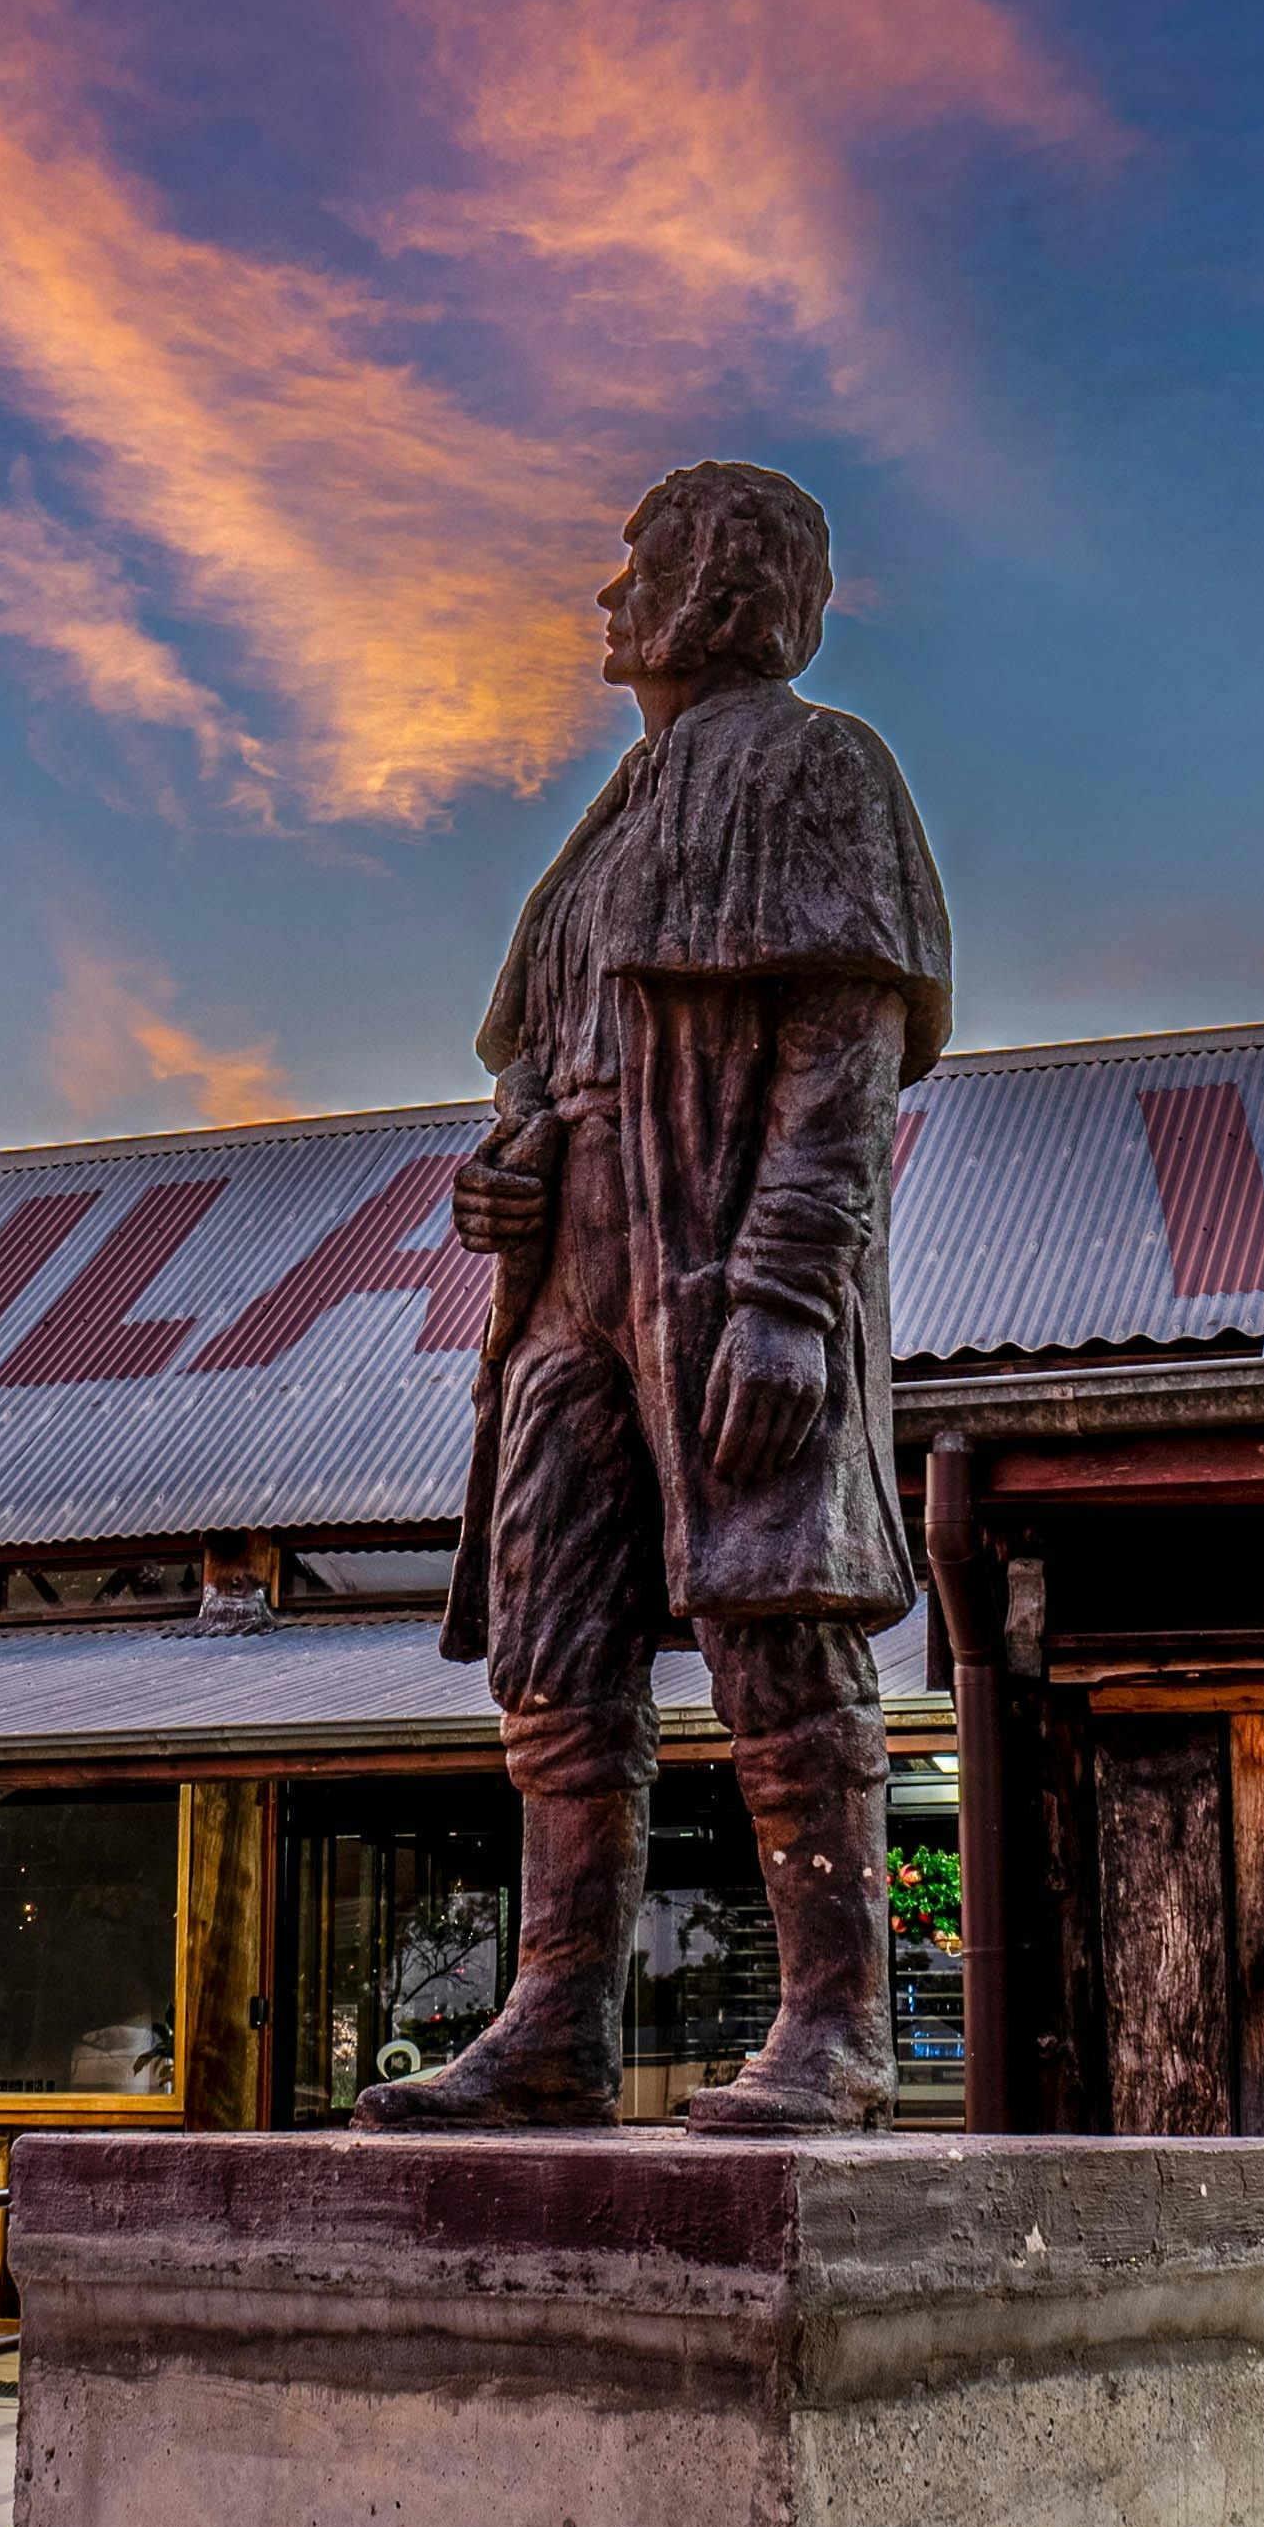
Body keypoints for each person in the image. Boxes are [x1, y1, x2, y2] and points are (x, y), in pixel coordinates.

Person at [361, 461, 950, 2134]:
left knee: (773, 1621)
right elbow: (538, 1070)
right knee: (554, 1644)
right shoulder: (612, 822)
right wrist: (510, 1167)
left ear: (703, 587)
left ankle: (836, 2029)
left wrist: (782, 1290)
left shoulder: (821, 769)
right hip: (574, 1285)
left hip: (723, 1259)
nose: (606, 603)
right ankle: (558, 2021)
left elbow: (846, 1054)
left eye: (634, 570)